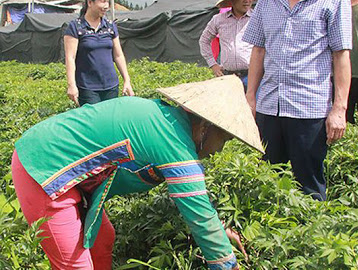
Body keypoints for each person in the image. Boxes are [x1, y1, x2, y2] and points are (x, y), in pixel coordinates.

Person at [11, 75, 264, 270]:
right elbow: (200, 218)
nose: (219, 150)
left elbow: (201, 213)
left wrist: (218, 230)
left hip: (66, 168)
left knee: (103, 238)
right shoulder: (174, 143)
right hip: (44, 168)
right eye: (224, 140)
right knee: (74, 264)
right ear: (206, 127)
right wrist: (229, 263)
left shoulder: (167, 121)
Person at [242, 0, 352, 201]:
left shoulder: (334, 1)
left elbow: (341, 56)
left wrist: (339, 109)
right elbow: (258, 50)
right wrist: (251, 97)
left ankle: (311, 237)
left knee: (310, 182)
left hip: (309, 109)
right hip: (270, 106)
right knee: (268, 180)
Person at [64, 0, 134, 107]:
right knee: (92, 123)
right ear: (90, 2)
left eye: (107, 2)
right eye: (102, 2)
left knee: (110, 121)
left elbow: (118, 55)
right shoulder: (76, 27)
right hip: (88, 87)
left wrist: (127, 80)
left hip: (111, 86)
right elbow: (70, 58)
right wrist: (71, 85)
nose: (106, 6)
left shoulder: (110, 26)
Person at [199, 0, 264, 89]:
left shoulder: (257, 18)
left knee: (252, 106)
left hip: (253, 75)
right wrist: (213, 64)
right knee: (231, 106)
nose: (247, 0)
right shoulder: (218, 20)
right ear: (232, 0)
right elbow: (204, 40)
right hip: (229, 76)